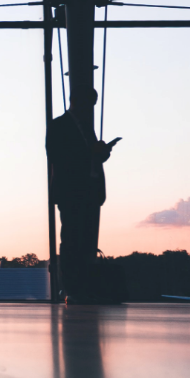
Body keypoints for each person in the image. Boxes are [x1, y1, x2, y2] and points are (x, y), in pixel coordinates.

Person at [47, 88, 117, 304]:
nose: (92, 108)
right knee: (72, 241)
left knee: (81, 240)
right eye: (91, 103)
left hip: (87, 191)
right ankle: (73, 289)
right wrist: (93, 154)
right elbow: (58, 157)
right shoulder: (59, 126)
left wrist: (100, 154)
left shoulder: (80, 127)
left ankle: (79, 288)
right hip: (73, 191)